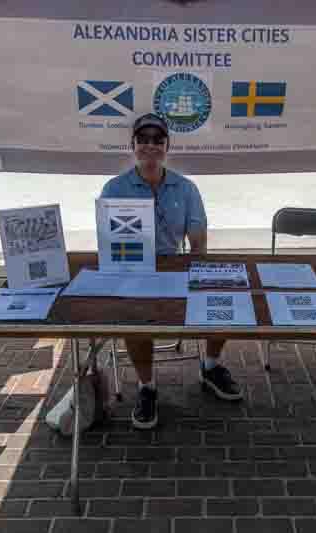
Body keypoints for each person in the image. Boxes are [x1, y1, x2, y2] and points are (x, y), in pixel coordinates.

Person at [100, 113, 242, 430]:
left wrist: (198, 279)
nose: (150, 145)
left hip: (176, 267)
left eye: (158, 140)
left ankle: (211, 365)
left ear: (167, 146)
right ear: (132, 145)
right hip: (132, 270)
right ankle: (147, 387)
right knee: (134, 317)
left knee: (224, 300)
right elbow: (109, 242)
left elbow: (199, 241)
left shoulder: (187, 188)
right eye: (143, 139)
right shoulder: (114, 188)